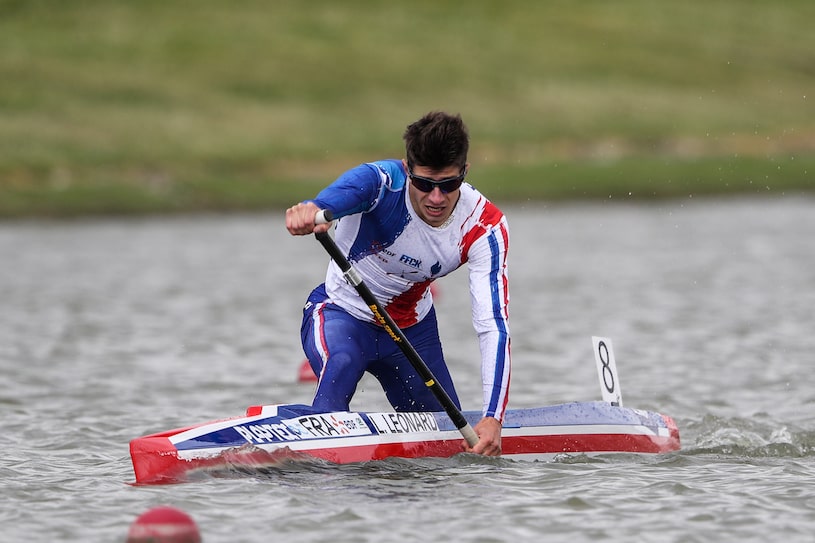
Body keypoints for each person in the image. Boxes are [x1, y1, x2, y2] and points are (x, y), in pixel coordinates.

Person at [285, 111, 510, 456]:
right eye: (424, 184)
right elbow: (331, 200)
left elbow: (492, 326)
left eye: (449, 185)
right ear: (408, 169)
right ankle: (308, 442)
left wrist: (493, 417)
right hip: (340, 315)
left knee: (446, 446)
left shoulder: (484, 227)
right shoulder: (380, 183)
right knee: (341, 366)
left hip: (411, 334)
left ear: (465, 172)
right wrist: (311, 209)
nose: (436, 198)